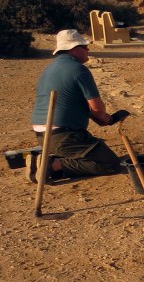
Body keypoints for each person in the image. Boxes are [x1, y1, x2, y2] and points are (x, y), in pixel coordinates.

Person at [27, 29, 128, 183]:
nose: (88, 50)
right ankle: (52, 165)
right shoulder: (79, 70)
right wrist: (108, 118)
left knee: (86, 151)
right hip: (64, 136)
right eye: (84, 46)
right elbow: (99, 111)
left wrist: (105, 120)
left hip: (43, 136)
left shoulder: (48, 70)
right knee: (110, 164)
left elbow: (81, 108)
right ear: (73, 49)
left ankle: (46, 163)